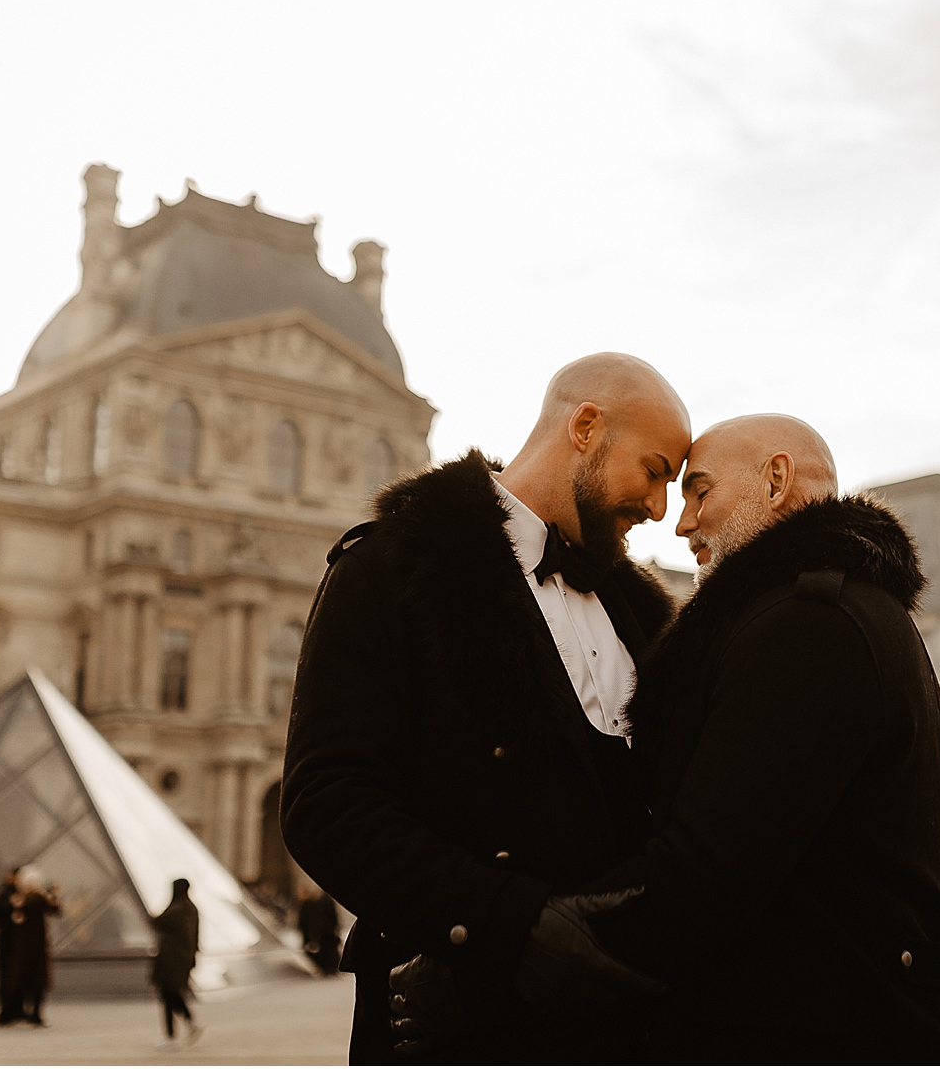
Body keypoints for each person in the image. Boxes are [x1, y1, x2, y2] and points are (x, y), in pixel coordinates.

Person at [398, 415, 940, 1062]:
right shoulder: (844, 609)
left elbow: (702, 875)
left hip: (840, 1034)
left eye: (700, 490)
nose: (680, 523)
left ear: (776, 479)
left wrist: (494, 977)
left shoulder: (809, 624)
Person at [280, 353, 691, 1063]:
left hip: (620, 1029)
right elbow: (328, 803)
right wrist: (512, 924)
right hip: (460, 1021)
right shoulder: (389, 567)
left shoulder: (638, 608)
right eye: (654, 470)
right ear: (586, 428)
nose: (659, 508)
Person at [151, 878, 203, 1049]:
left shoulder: (176, 909)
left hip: (170, 960)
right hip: (184, 959)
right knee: (173, 994)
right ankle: (186, 1026)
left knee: (168, 994)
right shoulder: (192, 909)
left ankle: (174, 1034)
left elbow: (157, 923)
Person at [8, 869, 62, 1026]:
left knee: (29, 982)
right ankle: (34, 1014)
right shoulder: (33, 900)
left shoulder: (23, 900)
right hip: (34, 947)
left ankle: (31, 1012)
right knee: (36, 982)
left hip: (26, 948)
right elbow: (56, 910)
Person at [0, 868, 23, 1026]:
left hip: (15, 941)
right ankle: (7, 1011)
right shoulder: (5, 894)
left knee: (15, 976)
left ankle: (15, 1009)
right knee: (8, 976)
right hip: (9, 941)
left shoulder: (20, 893)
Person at [297, 884, 343, 977]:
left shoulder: (315, 903)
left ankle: (329, 968)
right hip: (327, 930)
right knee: (329, 950)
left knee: (328, 950)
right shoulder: (322, 901)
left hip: (324, 931)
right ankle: (331, 968)